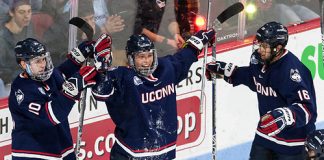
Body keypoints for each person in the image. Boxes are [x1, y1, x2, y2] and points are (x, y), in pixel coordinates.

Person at [90, 29, 215, 159]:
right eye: (141, 57)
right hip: (130, 153)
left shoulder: (166, 68)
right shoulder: (122, 77)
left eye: (149, 55)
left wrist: (198, 41)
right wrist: (102, 70)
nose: (146, 61)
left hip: (164, 151)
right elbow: (101, 92)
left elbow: (185, 57)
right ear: (131, 57)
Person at [205, 21, 317, 160]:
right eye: (259, 44)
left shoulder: (291, 71)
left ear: (278, 48)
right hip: (266, 135)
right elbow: (256, 80)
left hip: (293, 142)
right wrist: (231, 73)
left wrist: (286, 115)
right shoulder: (259, 60)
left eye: (264, 46)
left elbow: (307, 109)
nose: (259, 49)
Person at [8, 38, 97, 159]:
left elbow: (62, 73)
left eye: (44, 59)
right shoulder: (21, 89)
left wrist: (81, 54)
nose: (43, 64)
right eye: (38, 61)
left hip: (60, 145)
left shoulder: (47, 75)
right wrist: (74, 87)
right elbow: (51, 116)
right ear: (24, 64)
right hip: (33, 153)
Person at [0, 0, 34, 85]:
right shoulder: (2, 37)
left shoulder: (28, 28)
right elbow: (3, 71)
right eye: (21, 12)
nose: (27, 16)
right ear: (11, 13)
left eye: (29, 11)